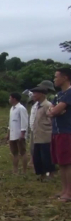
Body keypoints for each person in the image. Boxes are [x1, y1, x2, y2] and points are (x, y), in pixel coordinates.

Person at [48, 67, 71, 201]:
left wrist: (54, 111)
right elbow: (50, 111)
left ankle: (69, 192)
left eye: (56, 77)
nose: (54, 79)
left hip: (66, 131)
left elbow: (55, 110)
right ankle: (64, 190)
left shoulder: (69, 93)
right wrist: (54, 111)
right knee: (61, 162)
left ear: (65, 77)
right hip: (56, 131)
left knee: (68, 162)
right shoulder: (58, 95)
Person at [29, 86, 55, 181]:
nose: (33, 95)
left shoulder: (47, 105)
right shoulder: (37, 105)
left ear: (41, 94)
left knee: (47, 156)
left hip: (46, 135)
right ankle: (42, 174)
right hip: (37, 135)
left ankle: (50, 174)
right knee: (38, 157)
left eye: (35, 93)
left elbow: (51, 119)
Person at [8, 92, 29, 174]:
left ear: (14, 99)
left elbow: (24, 121)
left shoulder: (21, 108)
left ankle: (24, 170)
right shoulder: (12, 109)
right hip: (13, 134)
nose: (9, 99)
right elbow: (10, 122)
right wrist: (8, 133)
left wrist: (22, 133)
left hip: (19, 134)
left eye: (10, 98)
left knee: (22, 152)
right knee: (14, 152)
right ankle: (15, 169)